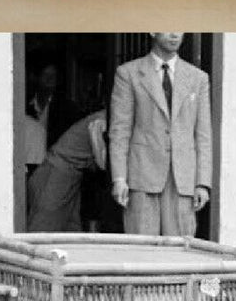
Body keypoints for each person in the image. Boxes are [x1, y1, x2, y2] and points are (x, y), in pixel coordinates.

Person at [109, 32, 213, 237]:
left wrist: (202, 183)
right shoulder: (128, 73)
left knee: (179, 253)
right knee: (142, 251)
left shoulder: (198, 78)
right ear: (152, 29)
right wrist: (119, 178)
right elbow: (120, 131)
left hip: (182, 179)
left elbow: (203, 135)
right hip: (142, 176)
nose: (175, 34)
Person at [27, 109, 109, 232]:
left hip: (72, 175)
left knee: (70, 230)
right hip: (55, 173)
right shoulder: (100, 120)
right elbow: (102, 162)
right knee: (42, 229)